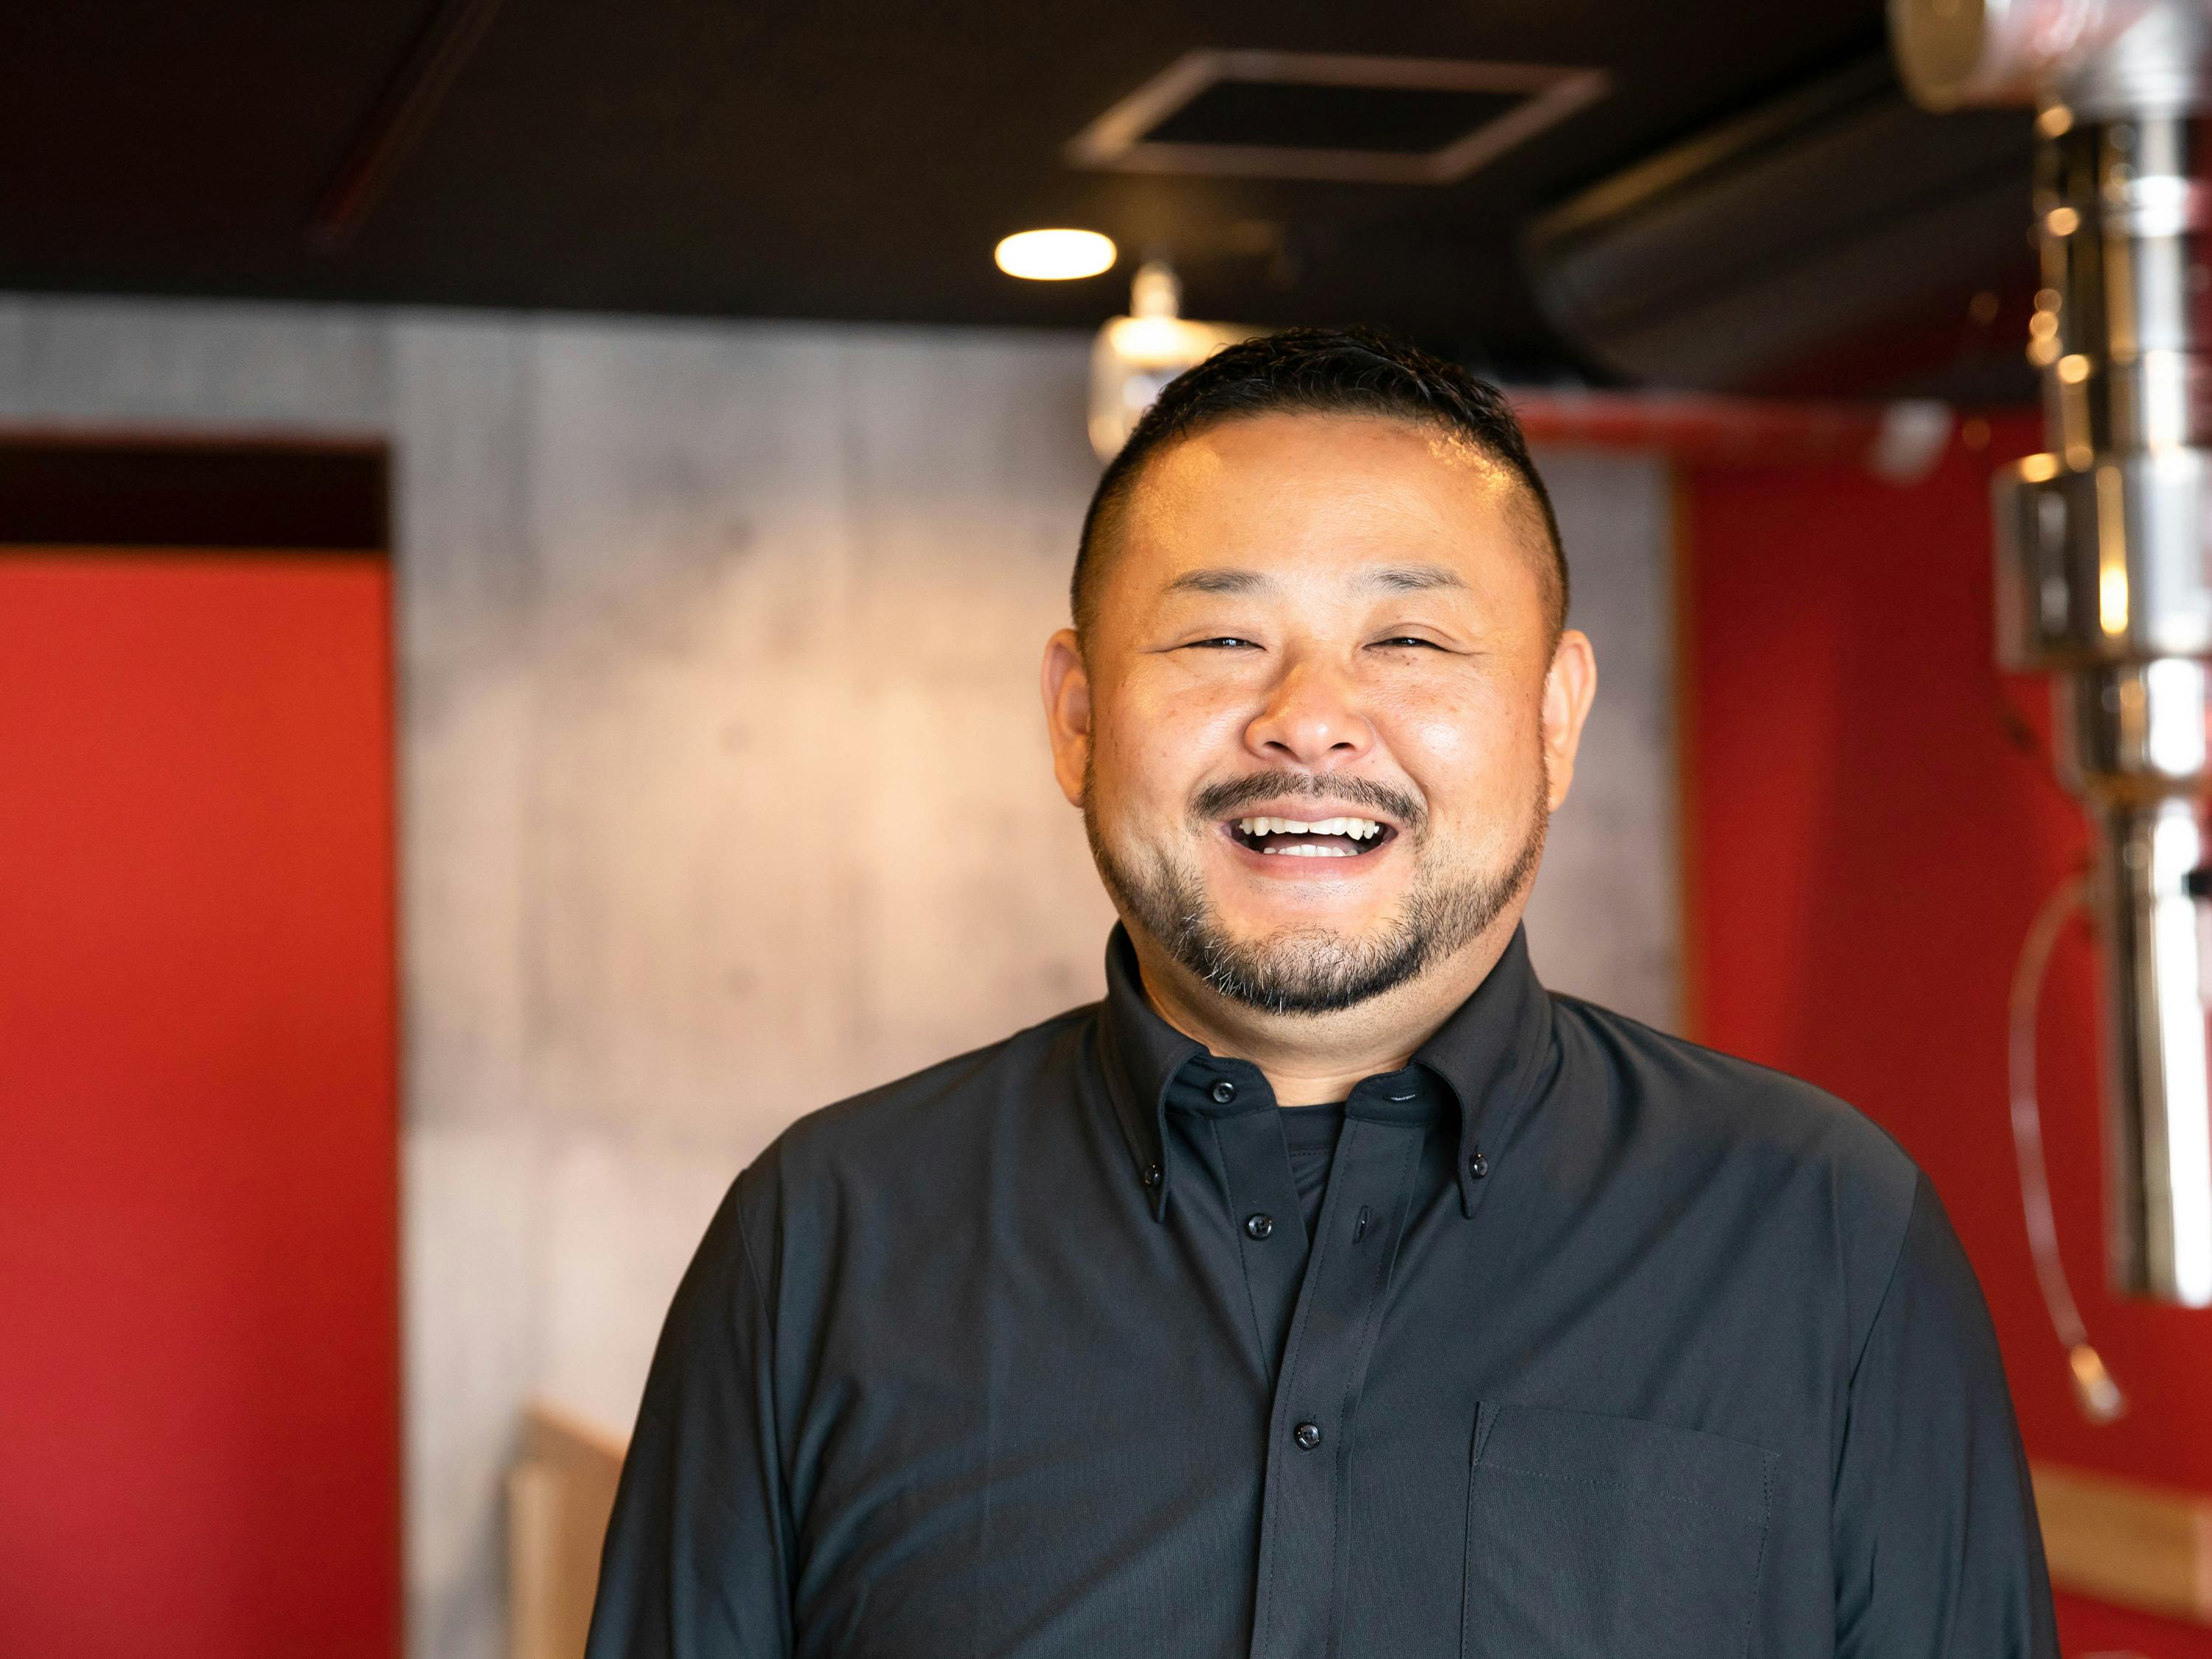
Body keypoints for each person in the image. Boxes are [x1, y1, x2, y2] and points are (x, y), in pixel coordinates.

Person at [585, 327, 2056, 1658]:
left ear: (1555, 718)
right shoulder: (824, 1240)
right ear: (1077, 717)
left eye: (1408, 640)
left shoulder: (1824, 1234)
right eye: (1222, 639)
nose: (1309, 722)